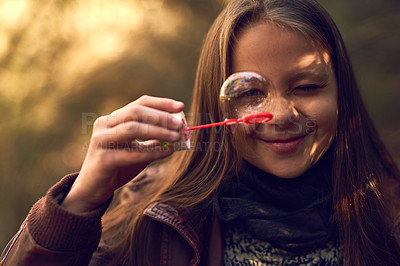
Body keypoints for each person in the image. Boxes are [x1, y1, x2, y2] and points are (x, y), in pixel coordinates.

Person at [2, 0, 400, 265]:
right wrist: (80, 202)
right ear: (216, 101)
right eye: (250, 92)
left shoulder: (391, 217)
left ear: (341, 94)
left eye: (307, 87)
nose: (278, 114)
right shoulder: (153, 224)